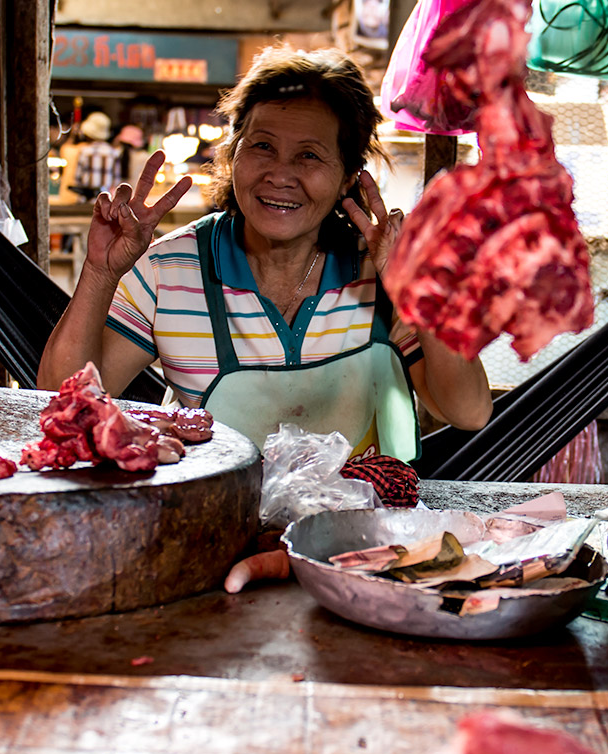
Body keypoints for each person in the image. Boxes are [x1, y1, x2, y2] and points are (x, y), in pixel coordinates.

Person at [38, 47, 492, 461]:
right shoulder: (168, 270)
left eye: (310, 156)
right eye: (262, 146)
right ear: (233, 153)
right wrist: (100, 273)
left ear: (348, 176)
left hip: (366, 533)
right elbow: (59, 401)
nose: (280, 175)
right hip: (217, 528)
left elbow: (468, 412)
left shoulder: (384, 270)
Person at [71, 112, 122, 201]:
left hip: (86, 200)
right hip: (106, 200)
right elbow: (116, 181)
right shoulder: (113, 153)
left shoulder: (84, 152)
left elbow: (77, 178)